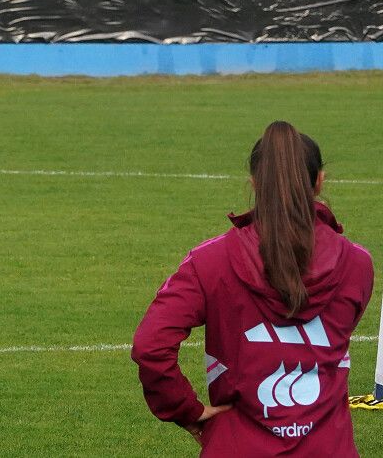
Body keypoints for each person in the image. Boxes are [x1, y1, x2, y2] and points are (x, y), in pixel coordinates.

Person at [132, 121, 373, 456]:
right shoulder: (358, 264)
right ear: (319, 182)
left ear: (255, 183)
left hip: (237, 444)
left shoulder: (210, 261)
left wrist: (186, 410)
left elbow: (150, 345)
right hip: (327, 447)